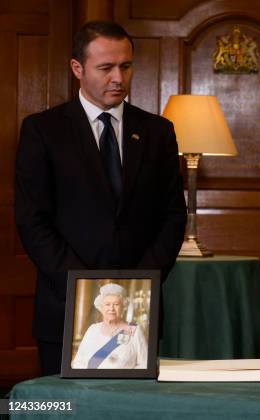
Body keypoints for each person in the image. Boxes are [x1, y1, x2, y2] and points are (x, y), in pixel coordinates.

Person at [15, 21, 186, 375]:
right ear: (77, 68)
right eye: (106, 67)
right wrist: (84, 289)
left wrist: (138, 286)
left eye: (126, 66)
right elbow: (33, 220)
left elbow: (172, 216)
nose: (118, 78)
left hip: (138, 313)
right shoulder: (43, 131)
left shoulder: (158, 131)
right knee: (65, 410)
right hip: (65, 308)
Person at [72, 283, 147, 369]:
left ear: (123, 306)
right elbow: (78, 362)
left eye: (116, 304)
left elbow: (144, 364)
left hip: (122, 382)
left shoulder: (135, 330)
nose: (111, 309)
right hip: (91, 381)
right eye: (107, 304)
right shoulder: (92, 330)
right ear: (101, 307)